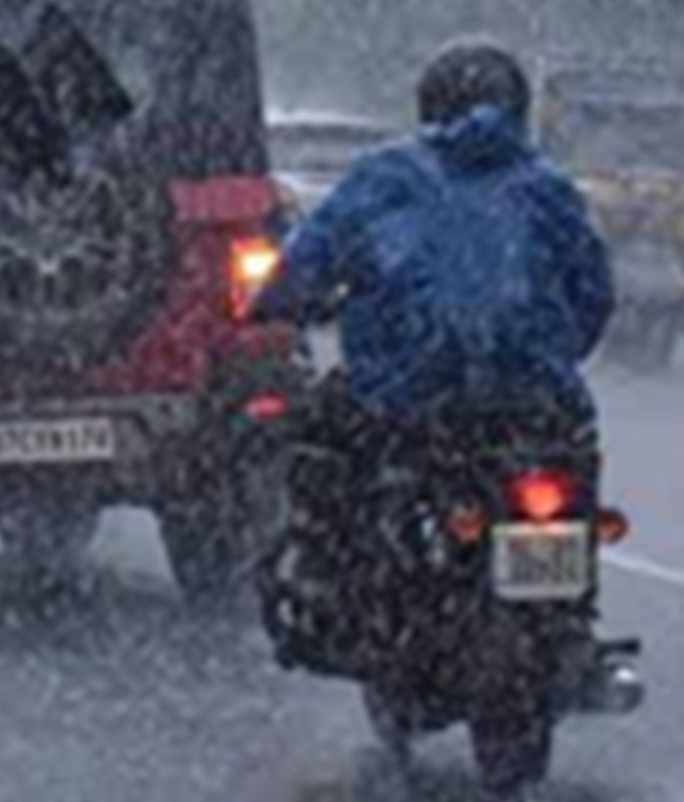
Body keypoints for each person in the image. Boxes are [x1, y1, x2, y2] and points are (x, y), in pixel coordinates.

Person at [251, 43, 615, 651]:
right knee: (572, 466)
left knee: (322, 448)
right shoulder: (547, 185)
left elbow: (304, 266)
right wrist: (544, 356)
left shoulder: (385, 175)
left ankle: (344, 601)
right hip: (532, 403)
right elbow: (594, 292)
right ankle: (570, 618)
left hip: (407, 399)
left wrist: (276, 303)